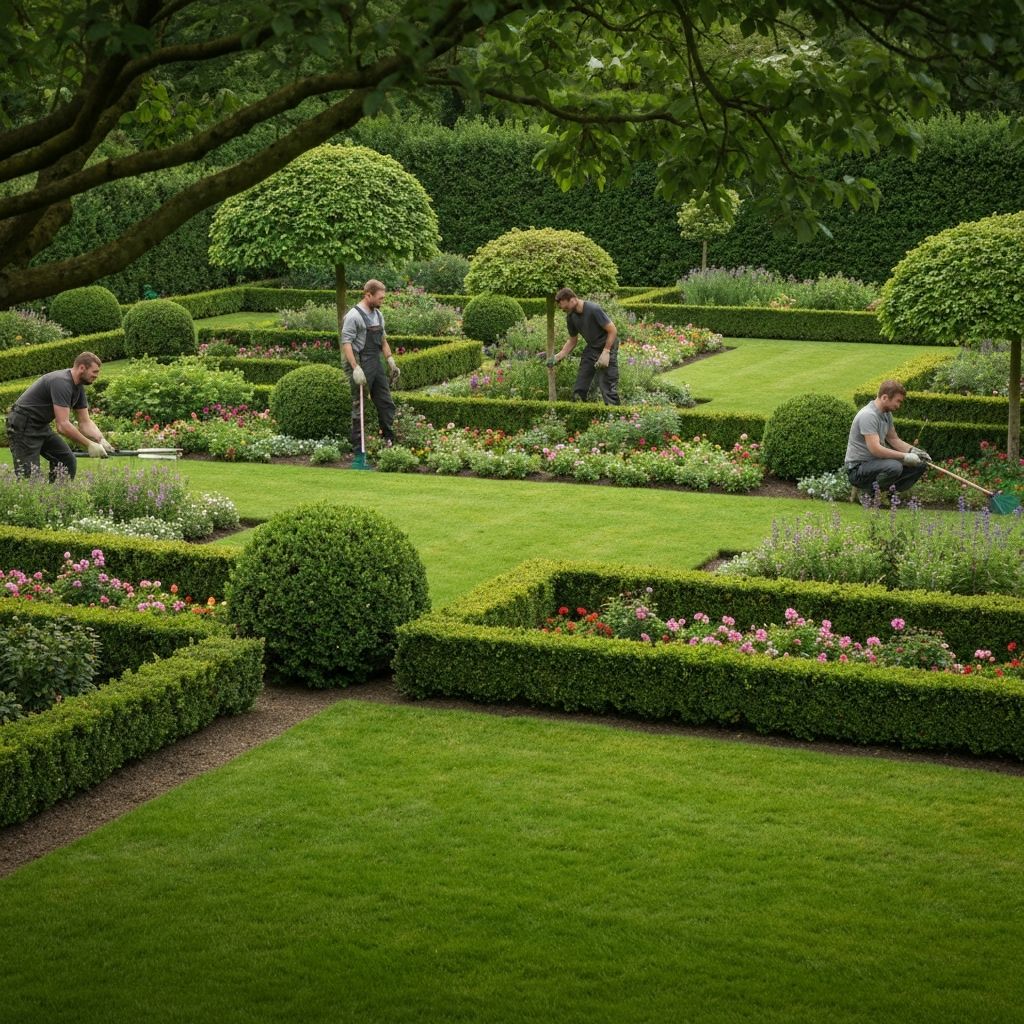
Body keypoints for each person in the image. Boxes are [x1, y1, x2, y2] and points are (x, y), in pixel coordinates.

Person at [5, 351, 113, 481]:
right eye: (94, 372)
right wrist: (89, 444)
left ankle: (58, 499)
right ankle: (29, 500)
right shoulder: (61, 382)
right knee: (29, 477)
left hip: (40, 425)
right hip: (22, 424)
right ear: (82, 368)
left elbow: (85, 422)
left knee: (66, 461)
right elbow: (62, 425)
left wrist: (100, 440)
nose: (97, 376)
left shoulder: (78, 387)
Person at [845, 379, 930, 501]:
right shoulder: (868, 415)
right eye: (898, 401)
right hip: (858, 468)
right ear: (885, 397)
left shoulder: (886, 414)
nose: (898, 406)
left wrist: (914, 451)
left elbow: (894, 439)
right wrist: (905, 456)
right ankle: (868, 494)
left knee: (920, 465)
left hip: (876, 464)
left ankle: (890, 495)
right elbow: (876, 450)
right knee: (894, 466)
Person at [341, 280, 400, 449]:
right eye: (380, 298)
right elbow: (346, 343)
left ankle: (388, 438)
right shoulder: (354, 316)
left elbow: (382, 340)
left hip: (375, 361)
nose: (382, 301)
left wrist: (390, 360)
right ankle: (358, 445)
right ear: (368, 295)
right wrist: (355, 368)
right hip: (360, 362)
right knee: (359, 404)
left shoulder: (378, 314)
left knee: (385, 401)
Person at [547, 288, 620, 405]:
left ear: (573, 300)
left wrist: (606, 352)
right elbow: (572, 341)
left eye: (565, 308)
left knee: (607, 386)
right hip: (592, 347)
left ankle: (616, 417)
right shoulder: (571, 317)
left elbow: (612, 330)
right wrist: (557, 357)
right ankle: (580, 411)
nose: (565, 311)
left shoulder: (593, 309)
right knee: (580, 386)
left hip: (608, 345)